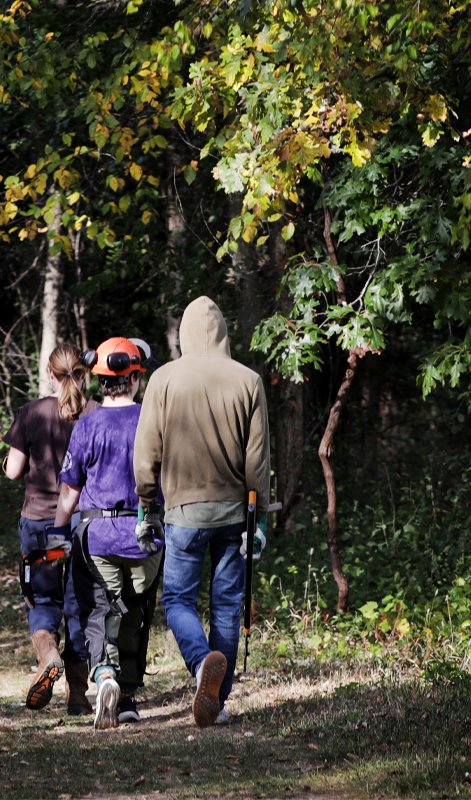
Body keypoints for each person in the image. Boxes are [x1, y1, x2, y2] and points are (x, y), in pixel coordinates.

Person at [134, 297, 270, 727]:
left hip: (182, 514)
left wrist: (146, 506)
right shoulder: (248, 381)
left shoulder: (163, 379)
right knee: (228, 604)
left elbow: (146, 453)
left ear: (183, 334)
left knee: (177, 600)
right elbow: (258, 461)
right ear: (225, 331)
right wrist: (260, 518)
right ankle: (219, 699)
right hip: (234, 512)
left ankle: (199, 666)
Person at [53, 336, 161, 729]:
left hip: (96, 537)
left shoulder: (87, 425)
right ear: (135, 379)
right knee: (135, 614)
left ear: (100, 381)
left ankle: (104, 675)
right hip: (143, 534)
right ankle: (129, 697)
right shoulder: (153, 420)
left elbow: (70, 492)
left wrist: (56, 531)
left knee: (97, 611)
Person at [3, 344, 100, 713]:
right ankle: (78, 695)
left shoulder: (32, 413)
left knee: (42, 599)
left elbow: (13, 470)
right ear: (84, 373)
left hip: (40, 526)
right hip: (81, 526)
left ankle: (47, 656)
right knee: (79, 603)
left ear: (49, 373)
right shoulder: (95, 413)